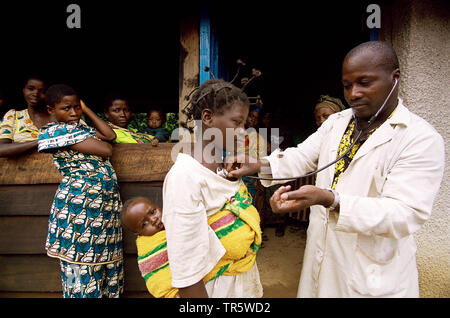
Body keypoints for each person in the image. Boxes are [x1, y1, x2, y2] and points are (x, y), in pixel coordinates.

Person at [227, 41, 445, 297]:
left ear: (394, 79)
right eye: (347, 85)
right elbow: (303, 156)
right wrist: (259, 164)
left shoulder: (419, 138)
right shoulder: (338, 122)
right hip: (323, 260)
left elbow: (404, 213)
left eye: (364, 83)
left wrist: (331, 200)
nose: (353, 94)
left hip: (373, 274)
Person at [162, 79, 264, 298]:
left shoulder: (223, 167)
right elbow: (186, 272)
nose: (243, 132)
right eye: (237, 122)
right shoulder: (185, 178)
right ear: (207, 118)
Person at [38, 84, 124, 298]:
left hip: (103, 212)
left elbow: (109, 135)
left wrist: (87, 110)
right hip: (79, 211)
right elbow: (106, 149)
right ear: (51, 110)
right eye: (66, 108)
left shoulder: (81, 128)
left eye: (77, 107)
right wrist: (81, 115)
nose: (73, 113)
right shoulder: (54, 131)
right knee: (81, 271)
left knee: (106, 268)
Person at [121, 194, 262, 298]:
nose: (154, 219)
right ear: (137, 233)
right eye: (144, 224)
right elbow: (156, 277)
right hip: (195, 290)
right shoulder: (150, 249)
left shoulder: (179, 218)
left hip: (219, 277)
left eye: (153, 212)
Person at [0, 75, 52, 156]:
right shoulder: (13, 116)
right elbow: (1, 148)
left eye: (42, 91)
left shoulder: (58, 117)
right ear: (23, 90)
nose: (36, 94)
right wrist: (40, 142)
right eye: (31, 89)